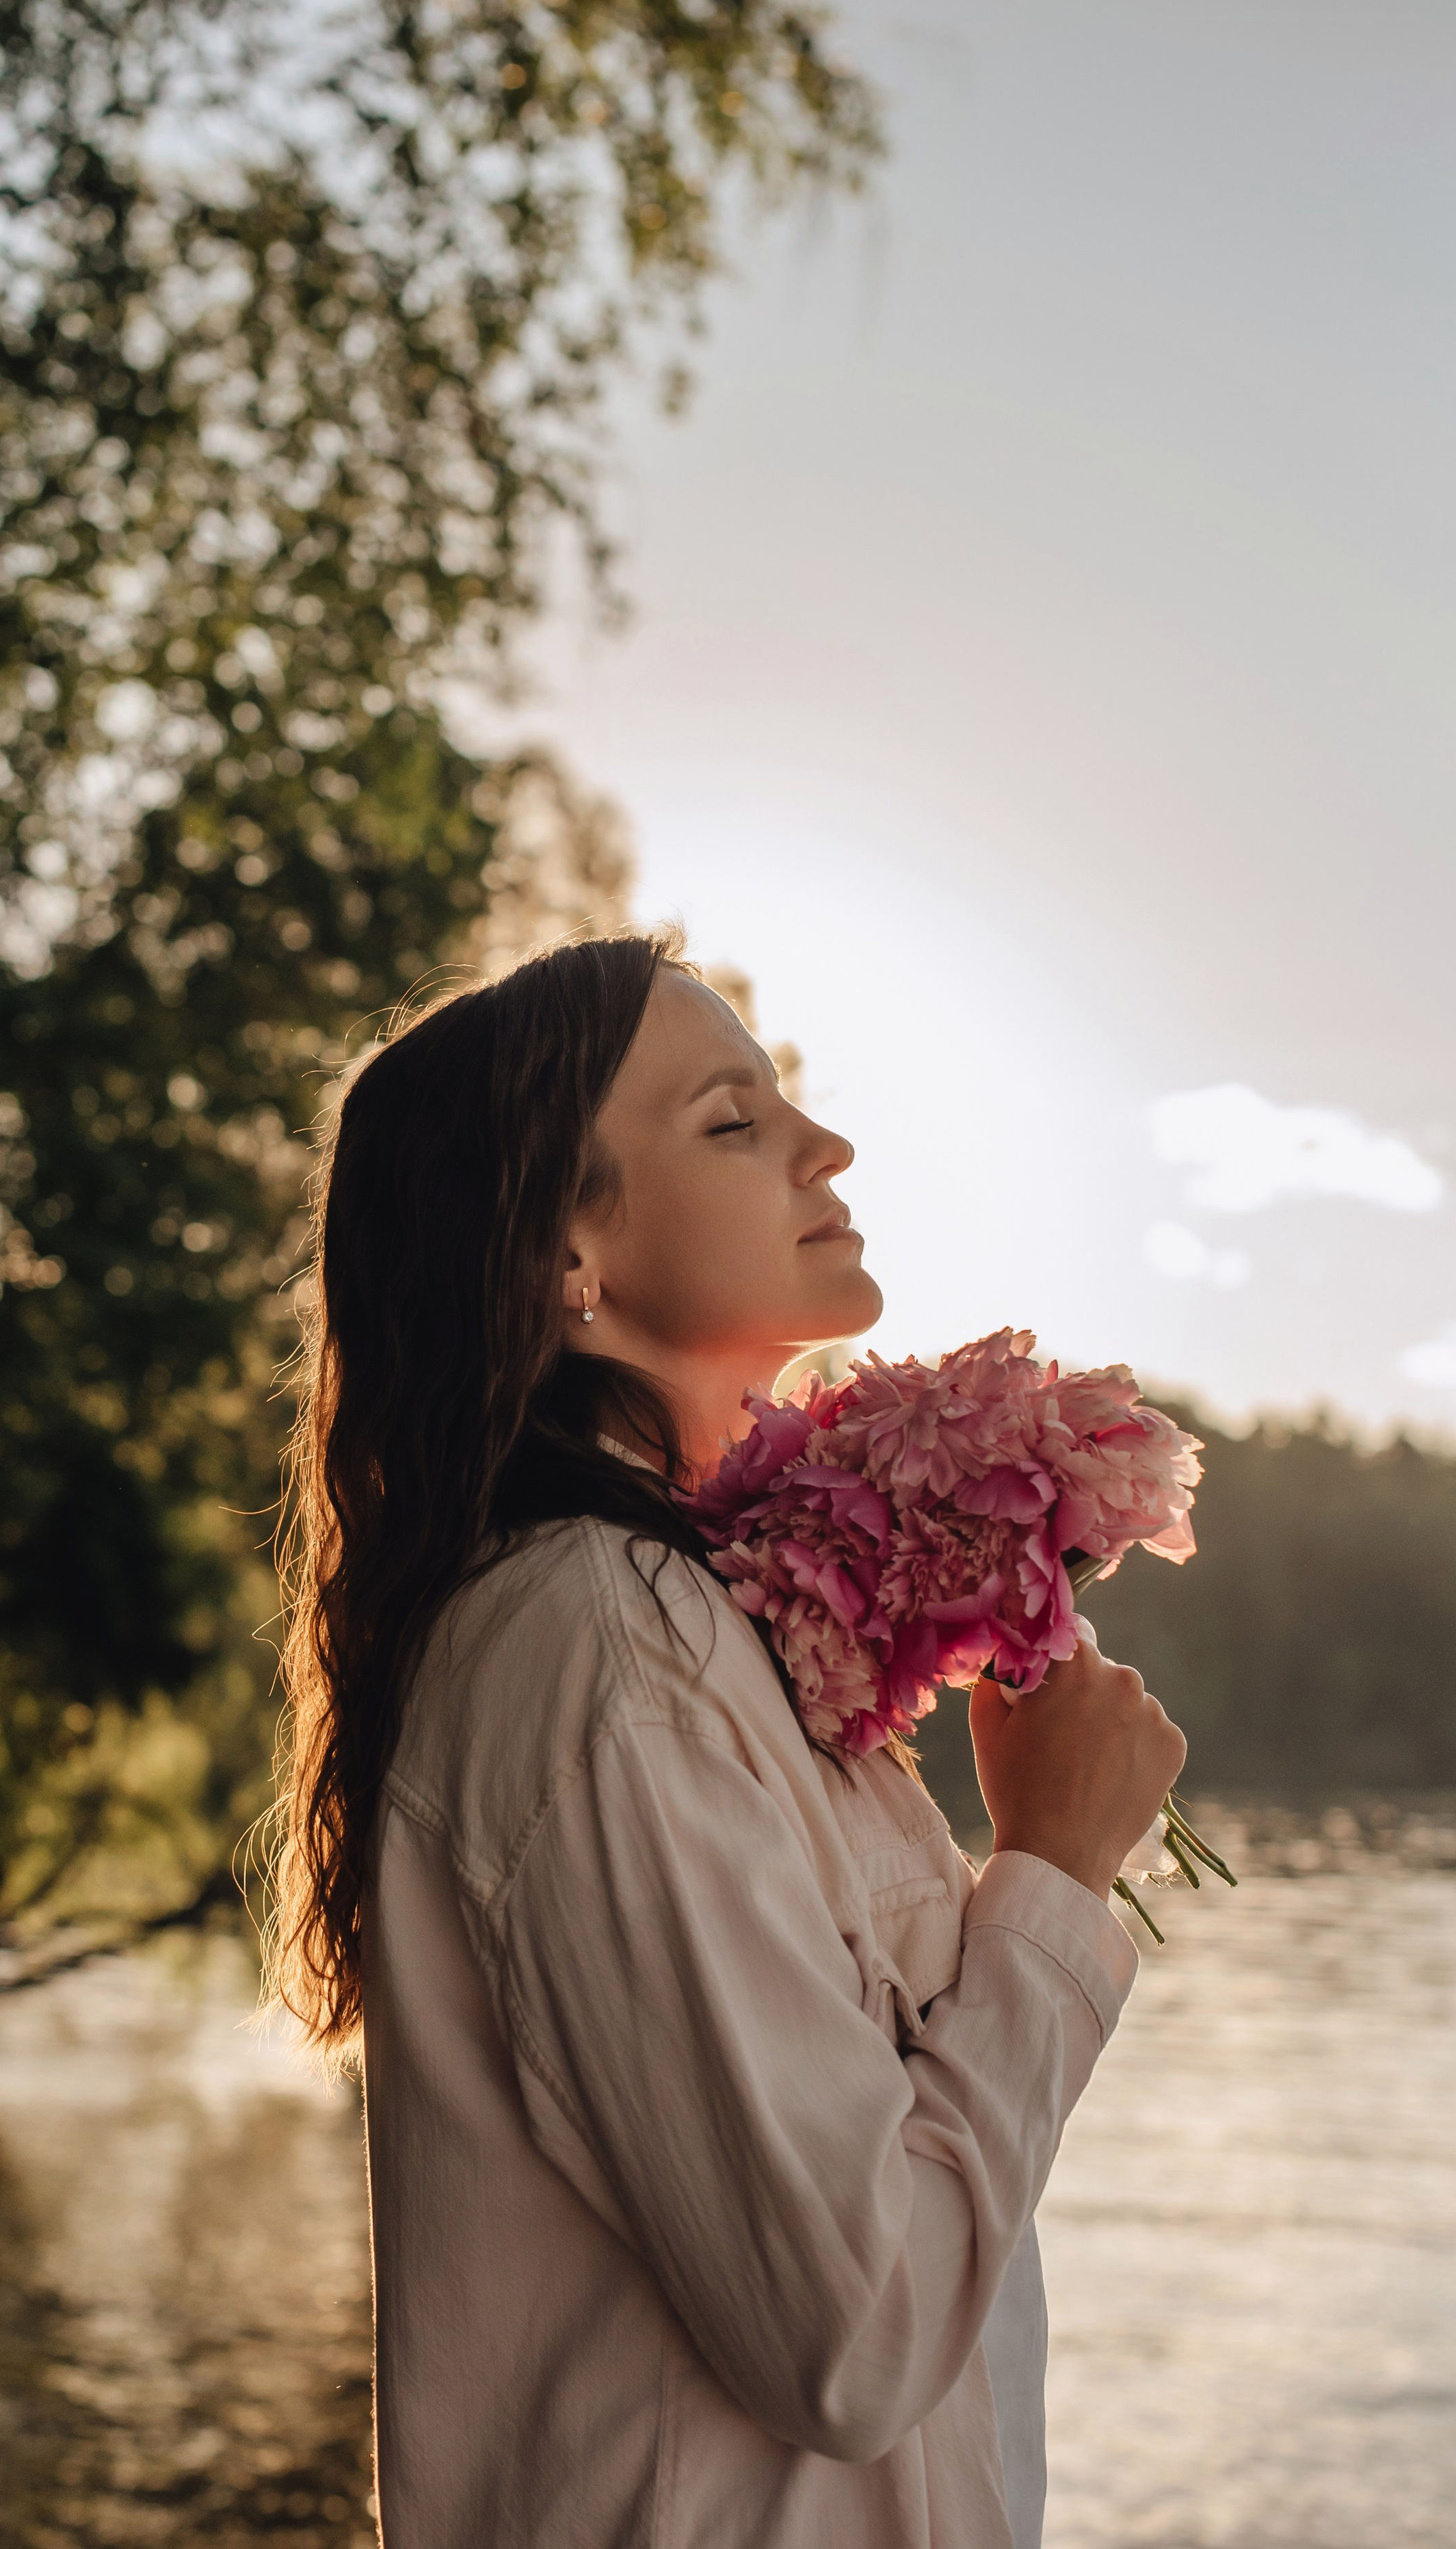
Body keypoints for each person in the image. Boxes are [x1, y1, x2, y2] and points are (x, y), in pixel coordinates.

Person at [272, 930, 1185, 2549]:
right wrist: (1046, 1872)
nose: (820, 1147)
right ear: (571, 1255)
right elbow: (852, 2329)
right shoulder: (599, 1648)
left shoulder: (713, 1626)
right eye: (728, 1120)